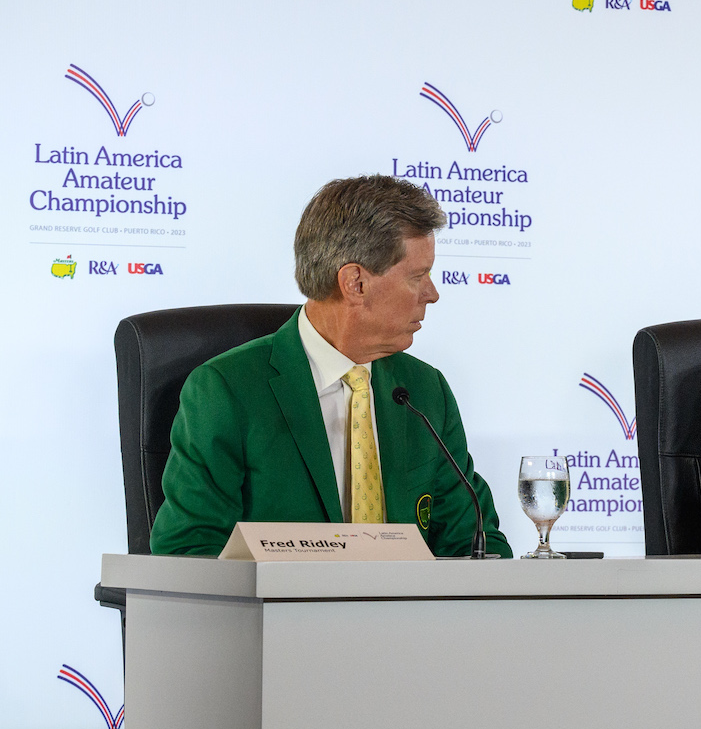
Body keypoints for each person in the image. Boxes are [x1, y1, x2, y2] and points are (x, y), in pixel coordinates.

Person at [150, 176, 511, 557]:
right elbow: (188, 552)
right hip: (280, 615)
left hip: (408, 616)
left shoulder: (424, 390)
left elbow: (477, 543)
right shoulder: (226, 391)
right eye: (417, 277)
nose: (432, 294)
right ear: (355, 282)